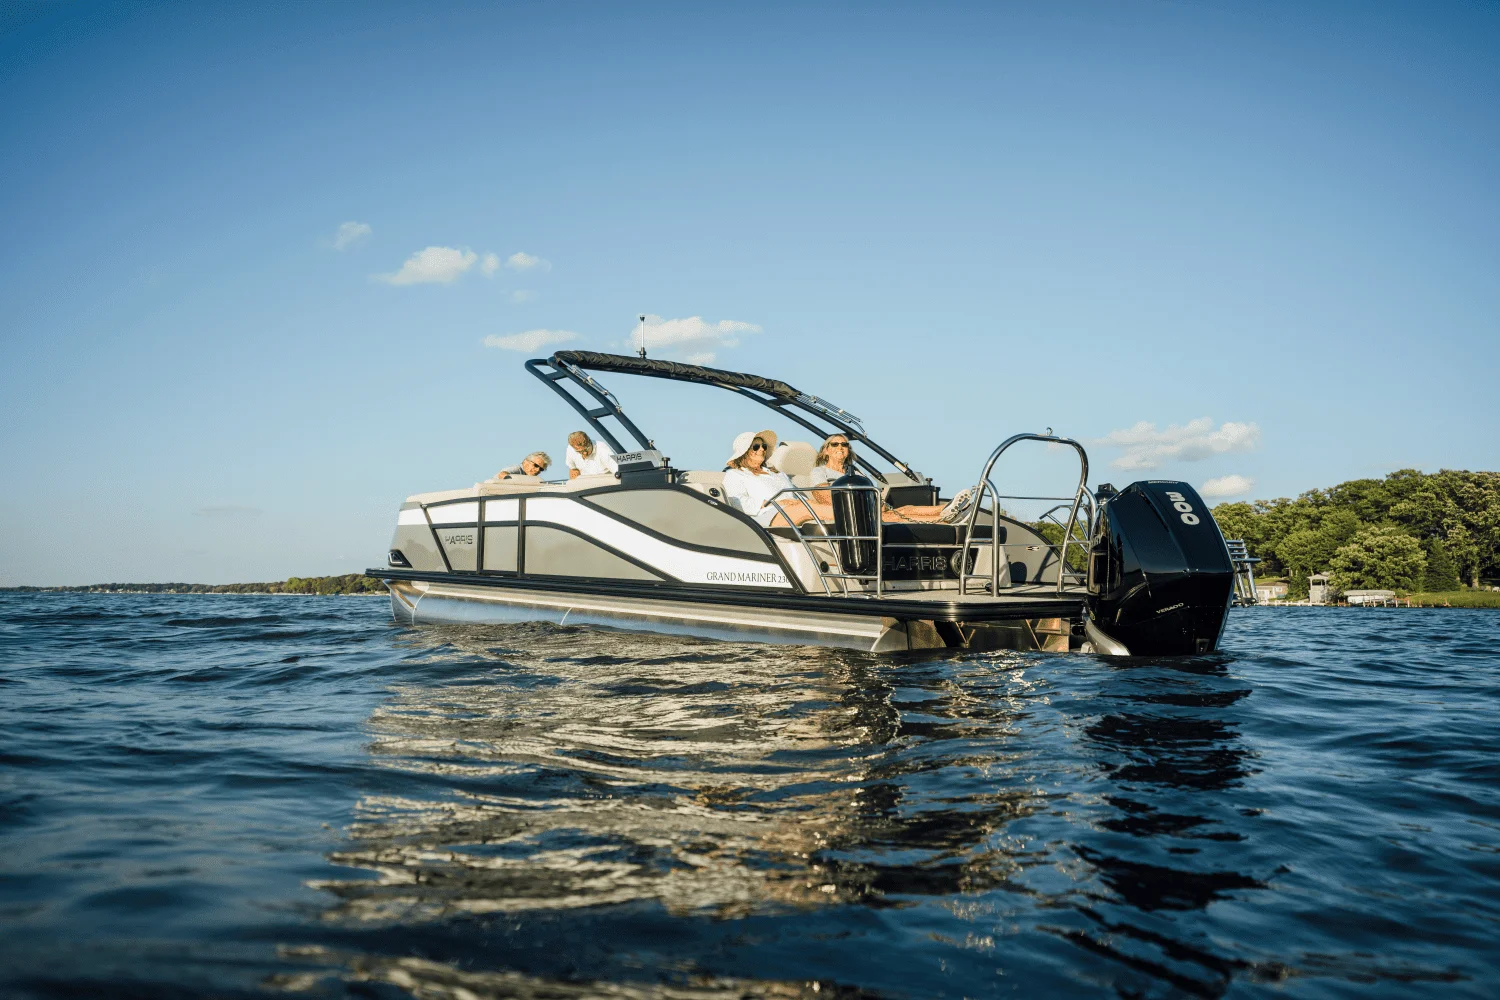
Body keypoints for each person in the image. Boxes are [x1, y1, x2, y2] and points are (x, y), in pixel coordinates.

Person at [804, 433, 972, 524]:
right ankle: (944, 519)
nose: (840, 447)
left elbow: (873, 492)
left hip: (869, 507)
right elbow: (822, 496)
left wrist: (877, 502)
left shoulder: (857, 473)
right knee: (898, 516)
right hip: (850, 512)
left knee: (906, 509)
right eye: (835, 444)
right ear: (825, 450)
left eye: (844, 444)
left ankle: (948, 510)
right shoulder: (820, 472)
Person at [721, 430, 800, 526]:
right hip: (767, 515)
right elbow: (737, 502)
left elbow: (796, 496)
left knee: (813, 506)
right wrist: (775, 503)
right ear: (745, 452)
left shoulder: (780, 475)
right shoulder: (735, 474)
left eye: (764, 446)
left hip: (795, 510)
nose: (762, 449)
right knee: (810, 508)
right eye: (756, 447)